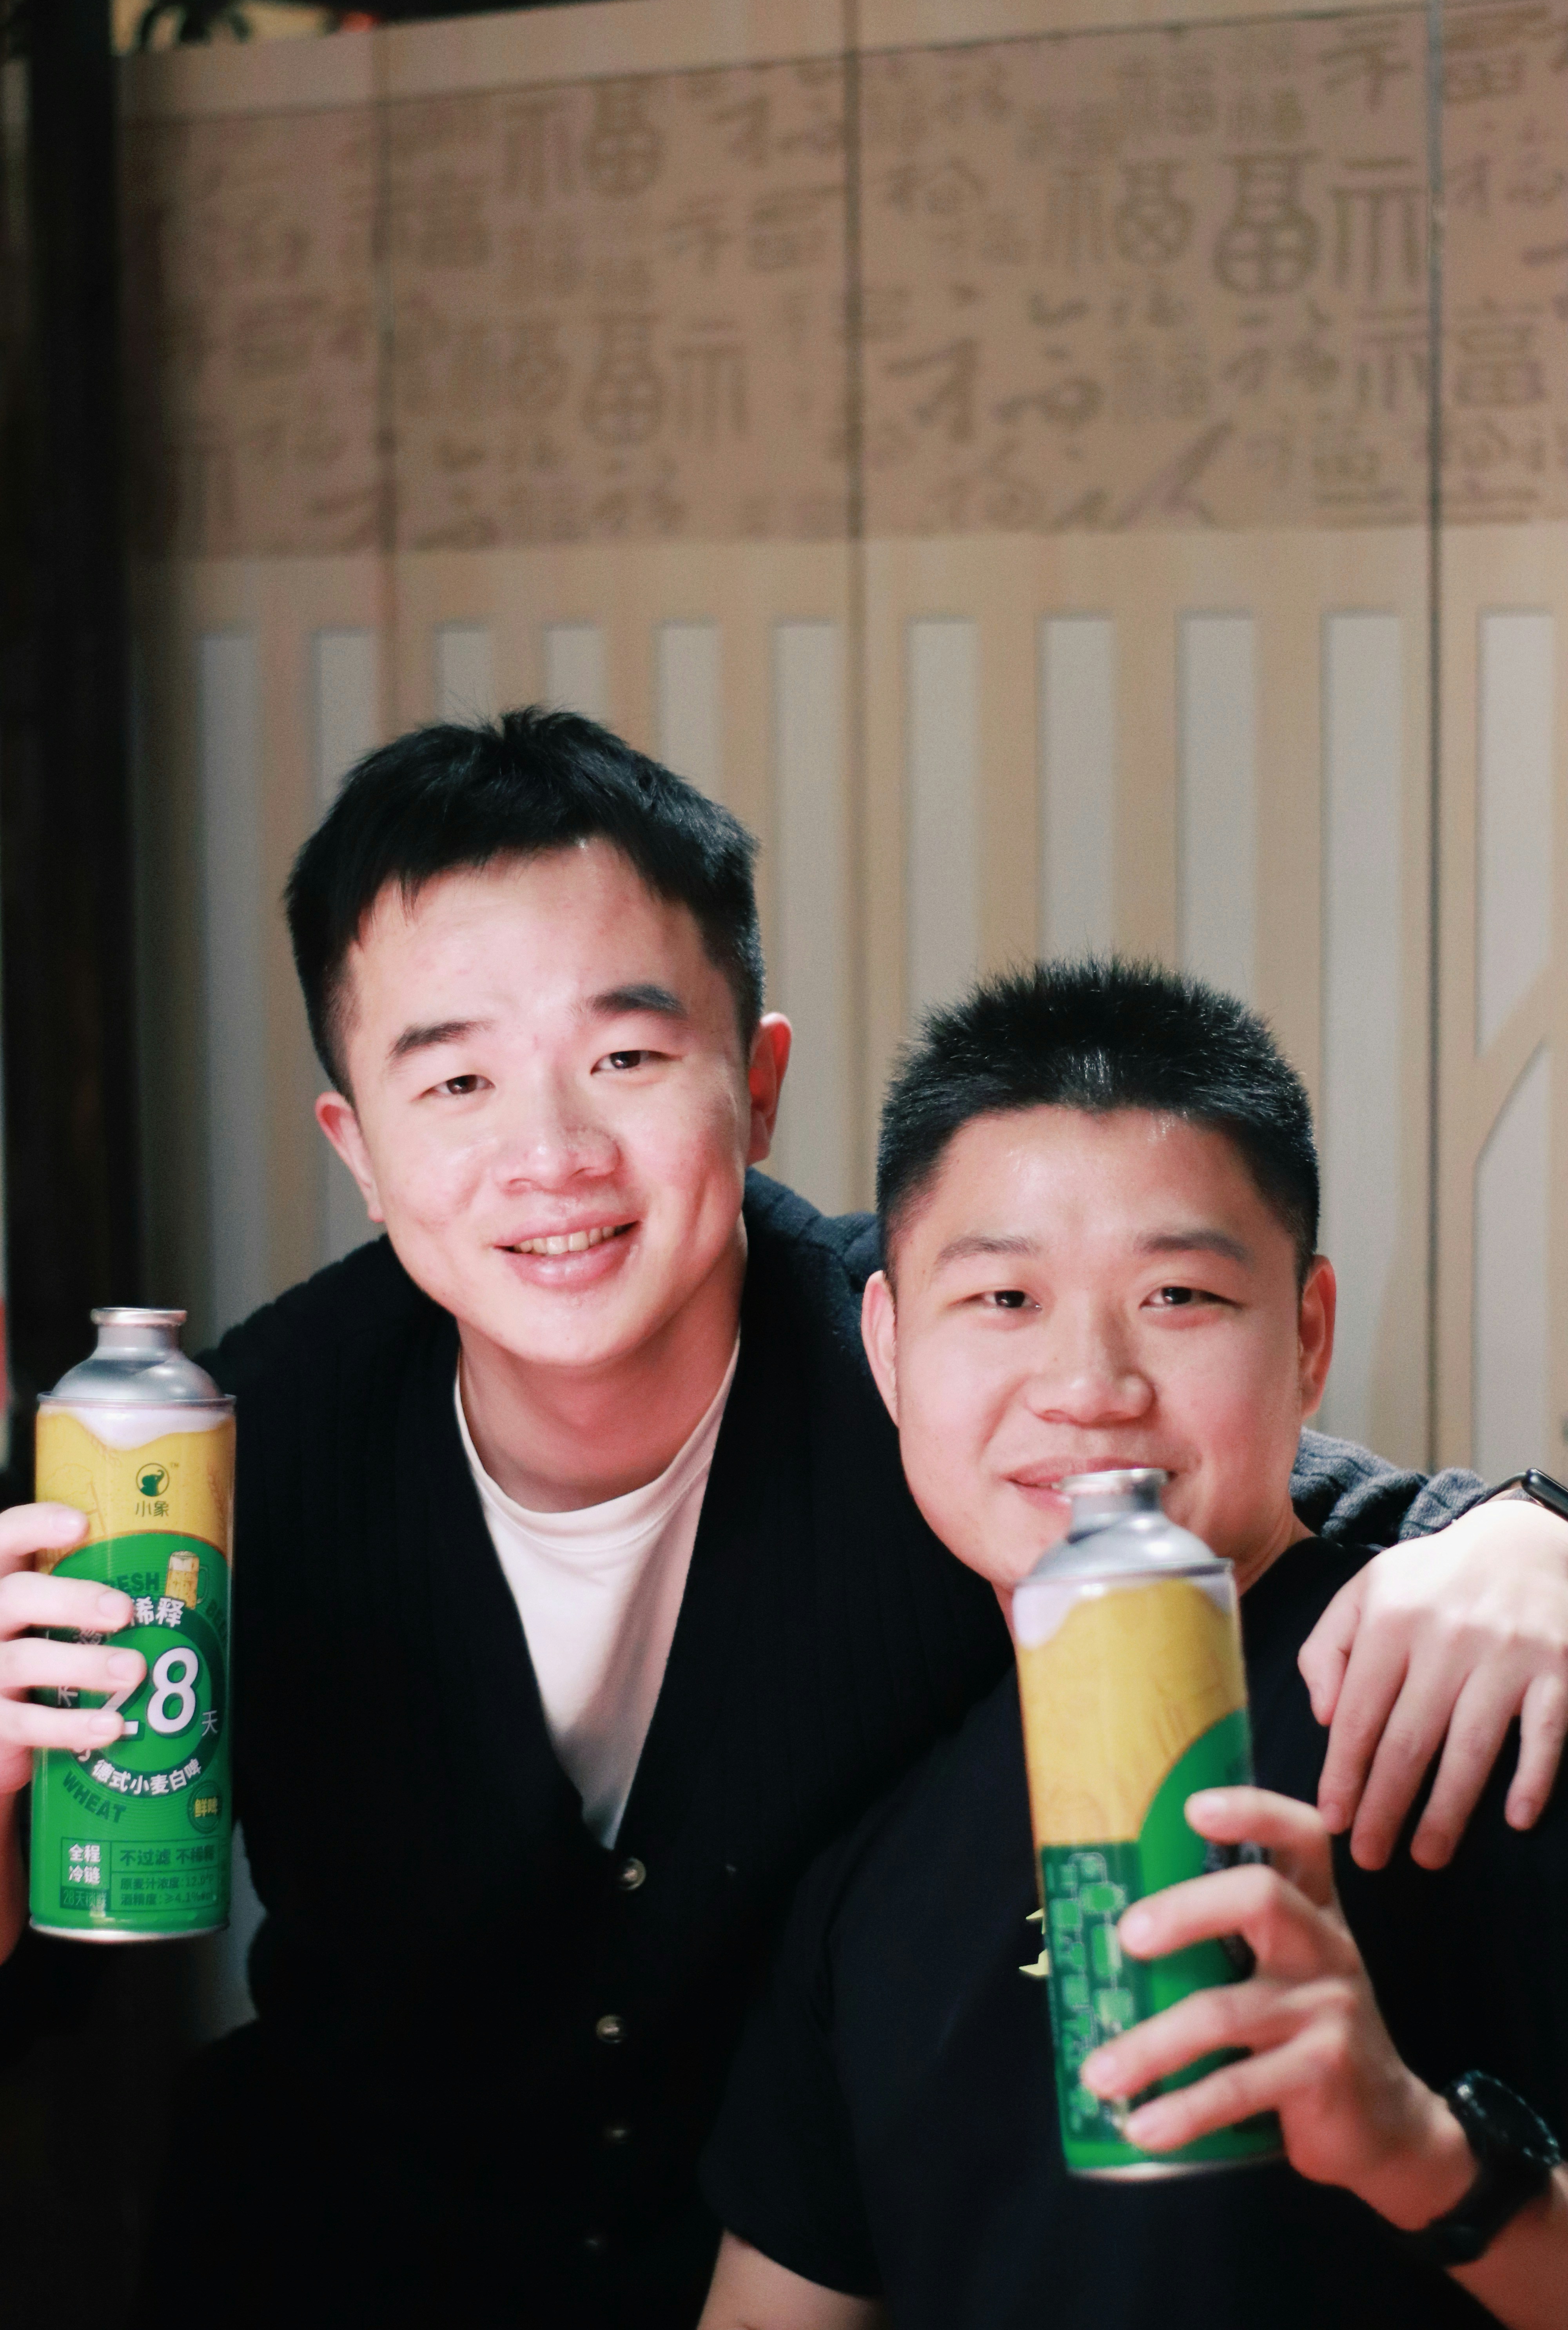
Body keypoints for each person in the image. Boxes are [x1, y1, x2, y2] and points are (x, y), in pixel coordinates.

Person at [0, 716, 1565, 2329]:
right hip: (330, 2273)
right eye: (456, 1079)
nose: (551, 1155)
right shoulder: (218, 1452)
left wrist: (1536, 1531)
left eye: (624, 1056)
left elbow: (1228, 1492)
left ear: (755, 1087)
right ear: (363, 1154)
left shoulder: (934, 1382)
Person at [697, 958, 1568, 2330]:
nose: (1091, 1390)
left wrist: (1417, 2153)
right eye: (1003, 1302)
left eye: (1179, 1298)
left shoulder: (1479, 1703)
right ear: (889, 1351)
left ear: (1310, 1334)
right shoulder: (863, 1881)